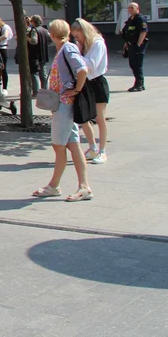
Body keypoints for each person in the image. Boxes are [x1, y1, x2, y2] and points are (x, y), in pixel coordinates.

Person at [32, 20, 93, 202]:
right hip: (64, 103)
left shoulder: (67, 49)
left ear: (52, 34)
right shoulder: (66, 49)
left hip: (65, 104)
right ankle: (82, 187)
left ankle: (55, 186)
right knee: (72, 145)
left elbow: (82, 69)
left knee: (59, 146)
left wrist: (76, 89)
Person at [72, 18, 110, 164]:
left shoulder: (97, 43)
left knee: (99, 118)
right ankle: (92, 147)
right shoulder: (82, 45)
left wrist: (77, 56)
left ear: (84, 31)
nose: (77, 39)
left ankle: (102, 151)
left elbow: (91, 65)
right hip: (85, 82)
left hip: (97, 82)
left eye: (77, 36)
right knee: (84, 117)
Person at [121, 2, 148, 92]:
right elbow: (127, 32)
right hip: (130, 44)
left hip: (137, 45)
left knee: (137, 64)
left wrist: (138, 44)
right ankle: (138, 83)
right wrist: (126, 43)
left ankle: (139, 84)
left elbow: (143, 31)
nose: (130, 9)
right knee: (132, 64)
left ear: (137, 8)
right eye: (129, 8)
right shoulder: (130, 19)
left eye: (132, 8)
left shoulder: (140, 18)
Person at [27, 15, 53, 93]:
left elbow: (34, 41)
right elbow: (50, 40)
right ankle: (45, 89)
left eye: (31, 21)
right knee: (43, 72)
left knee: (34, 73)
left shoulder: (34, 30)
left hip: (35, 54)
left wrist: (27, 37)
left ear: (33, 22)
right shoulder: (45, 30)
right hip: (43, 54)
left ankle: (36, 91)